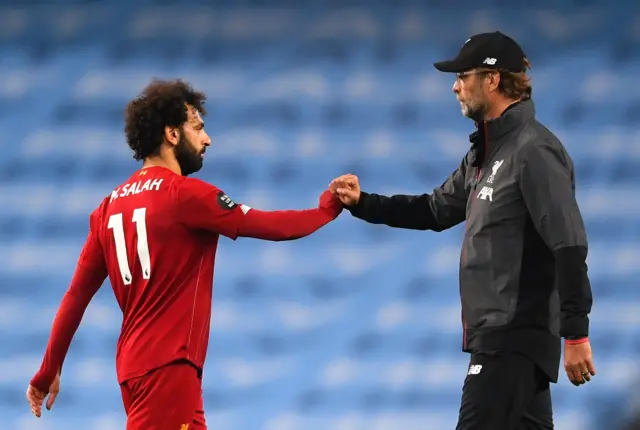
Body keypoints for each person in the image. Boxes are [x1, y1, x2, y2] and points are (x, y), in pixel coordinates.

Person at [26, 79, 343, 429]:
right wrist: (327, 209)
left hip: (138, 372)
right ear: (172, 134)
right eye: (198, 128)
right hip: (168, 371)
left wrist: (48, 369)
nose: (207, 139)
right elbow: (272, 226)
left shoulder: (107, 209)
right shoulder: (185, 195)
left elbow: (75, 297)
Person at [329, 31, 595, 430]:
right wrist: (365, 202)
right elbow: (435, 209)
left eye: (463, 76)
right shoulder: (485, 154)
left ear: (492, 79)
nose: (455, 86)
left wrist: (575, 334)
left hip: (511, 336)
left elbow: (569, 242)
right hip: (502, 339)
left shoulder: (532, 150)